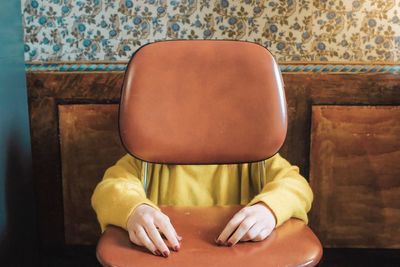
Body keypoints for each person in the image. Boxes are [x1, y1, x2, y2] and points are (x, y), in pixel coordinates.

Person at [91, 152, 313, 257]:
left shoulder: (255, 155)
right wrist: (135, 209)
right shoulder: (148, 156)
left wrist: (268, 209)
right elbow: (110, 187)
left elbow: (295, 185)